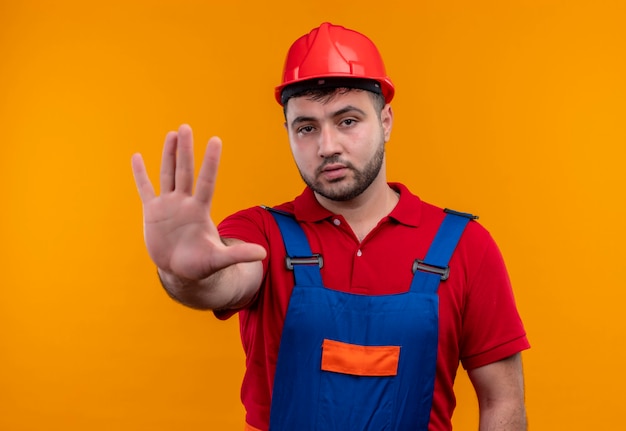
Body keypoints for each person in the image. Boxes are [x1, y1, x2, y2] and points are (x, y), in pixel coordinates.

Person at [131, 22, 530, 431]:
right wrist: (180, 273)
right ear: (287, 132)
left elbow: (502, 402)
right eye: (306, 128)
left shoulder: (465, 245)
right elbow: (223, 279)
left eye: (348, 121)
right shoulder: (260, 233)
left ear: (386, 121)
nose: (327, 146)